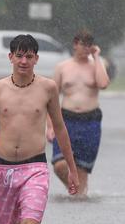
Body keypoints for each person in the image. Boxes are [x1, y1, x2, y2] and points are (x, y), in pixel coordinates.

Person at [0, 34, 80, 224]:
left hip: (35, 167)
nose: (23, 61)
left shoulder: (48, 88)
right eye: (19, 56)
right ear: (10, 57)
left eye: (28, 56)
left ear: (36, 58)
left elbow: (61, 129)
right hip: (2, 169)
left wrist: (72, 169)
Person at [47, 29, 110, 198]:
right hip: (66, 119)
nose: (86, 49)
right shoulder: (63, 67)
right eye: (83, 45)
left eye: (90, 46)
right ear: (75, 44)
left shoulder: (97, 64)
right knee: (60, 165)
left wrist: (96, 57)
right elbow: (51, 99)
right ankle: (76, 191)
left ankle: (79, 196)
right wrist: (50, 126)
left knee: (82, 168)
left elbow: (103, 84)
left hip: (90, 120)